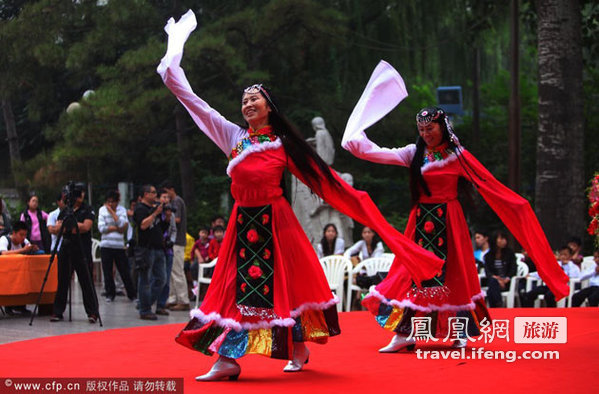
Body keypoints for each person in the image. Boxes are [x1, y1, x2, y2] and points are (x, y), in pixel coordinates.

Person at [157, 11, 443, 381]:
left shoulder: (283, 144)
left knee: (282, 288)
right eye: (244, 100)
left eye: (254, 99)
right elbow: (197, 104)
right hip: (242, 225)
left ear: (269, 108)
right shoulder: (233, 137)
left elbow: (326, 181)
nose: (247, 104)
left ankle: (282, 348)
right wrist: (172, 64)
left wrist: (355, 201)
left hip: (276, 225)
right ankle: (239, 355)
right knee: (232, 290)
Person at [341, 61, 569, 351]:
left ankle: (459, 332)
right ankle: (406, 333)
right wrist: (355, 138)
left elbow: (487, 183)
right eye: (422, 129)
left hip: (449, 220)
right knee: (412, 275)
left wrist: (516, 205)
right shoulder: (413, 154)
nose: (426, 133)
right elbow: (375, 153)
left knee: (456, 276)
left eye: (431, 128)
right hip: (420, 220)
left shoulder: (457, 155)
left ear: (443, 126)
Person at [50, 187, 99, 323]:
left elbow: (86, 227)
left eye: (81, 193)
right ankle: (58, 311)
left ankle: (93, 312)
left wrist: (70, 226)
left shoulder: (87, 209)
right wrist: (73, 227)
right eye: (77, 194)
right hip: (66, 249)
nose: (80, 196)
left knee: (86, 281)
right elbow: (58, 228)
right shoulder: (65, 210)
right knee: (62, 281)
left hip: (82, 249)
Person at [133, 184, 167, 320]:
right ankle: (145, 309)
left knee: (161, 279)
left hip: (158, 248)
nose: (155, 195)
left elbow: (160, 228)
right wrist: (155, 214)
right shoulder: (140, 209)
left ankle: (144, 303)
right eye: (153, 193)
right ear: (145, 194)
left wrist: (167, 218)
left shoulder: (154, 209)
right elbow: (143, 225)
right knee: (145, 280)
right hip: (146, 248)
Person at [97, 190, 136, 303]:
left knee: (124, 270)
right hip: (106, 245)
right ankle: (110, 294)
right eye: (108, 202)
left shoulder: (122, 210)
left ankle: (131, 294)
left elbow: (122, 225)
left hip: (118, 245)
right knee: (107, 271)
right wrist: (116, 229)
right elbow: (101, 228)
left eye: (112, 202)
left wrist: (113, 215)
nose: (110, 205)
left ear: (117, 202)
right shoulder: (102, 210)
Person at [161, 181, 189, 311]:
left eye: (167, 192)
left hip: (177, 240)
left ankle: (183, 299)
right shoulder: (173, 202)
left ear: (171, 190)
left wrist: (167, 215)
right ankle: (172, 298)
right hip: (172, 242)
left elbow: (177, 219)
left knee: (177, 271)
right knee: (171, 272)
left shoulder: (177, 201)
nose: (166, 195)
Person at [0, 221, 36, 315]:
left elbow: (29, 247)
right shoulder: (4, 240)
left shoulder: (24, 241)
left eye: (25, 235)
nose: (23, 237)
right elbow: (4, 254)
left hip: (19, 273)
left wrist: (33, 249)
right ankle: (8, 305)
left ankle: (21, 305)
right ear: (14, 233)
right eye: (21, 235)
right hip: (5, 273)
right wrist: (23, 250)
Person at [156, 189, 177, 315]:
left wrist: (171, 241)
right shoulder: (156, 213)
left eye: (168, 197)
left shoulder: (172, 214)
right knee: (157, 278)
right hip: (157, 247)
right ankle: (149, 301)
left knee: (167, 278)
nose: (166, 200)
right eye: (163, 197)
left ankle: (161, 304)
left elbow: (174, 229)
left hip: (168, 249)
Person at [483, 230, 517, 308]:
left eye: (504, 239)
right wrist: (497, 280)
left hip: (507, 282)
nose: (504, 241)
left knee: (491, 290)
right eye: (501, 239)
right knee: (493, 282)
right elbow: (488, 272)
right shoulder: (488, 256)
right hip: (494, 281)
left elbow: (513, 269)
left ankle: (495, 308)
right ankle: (498, 303)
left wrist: (506, 279)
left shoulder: (510, 254)